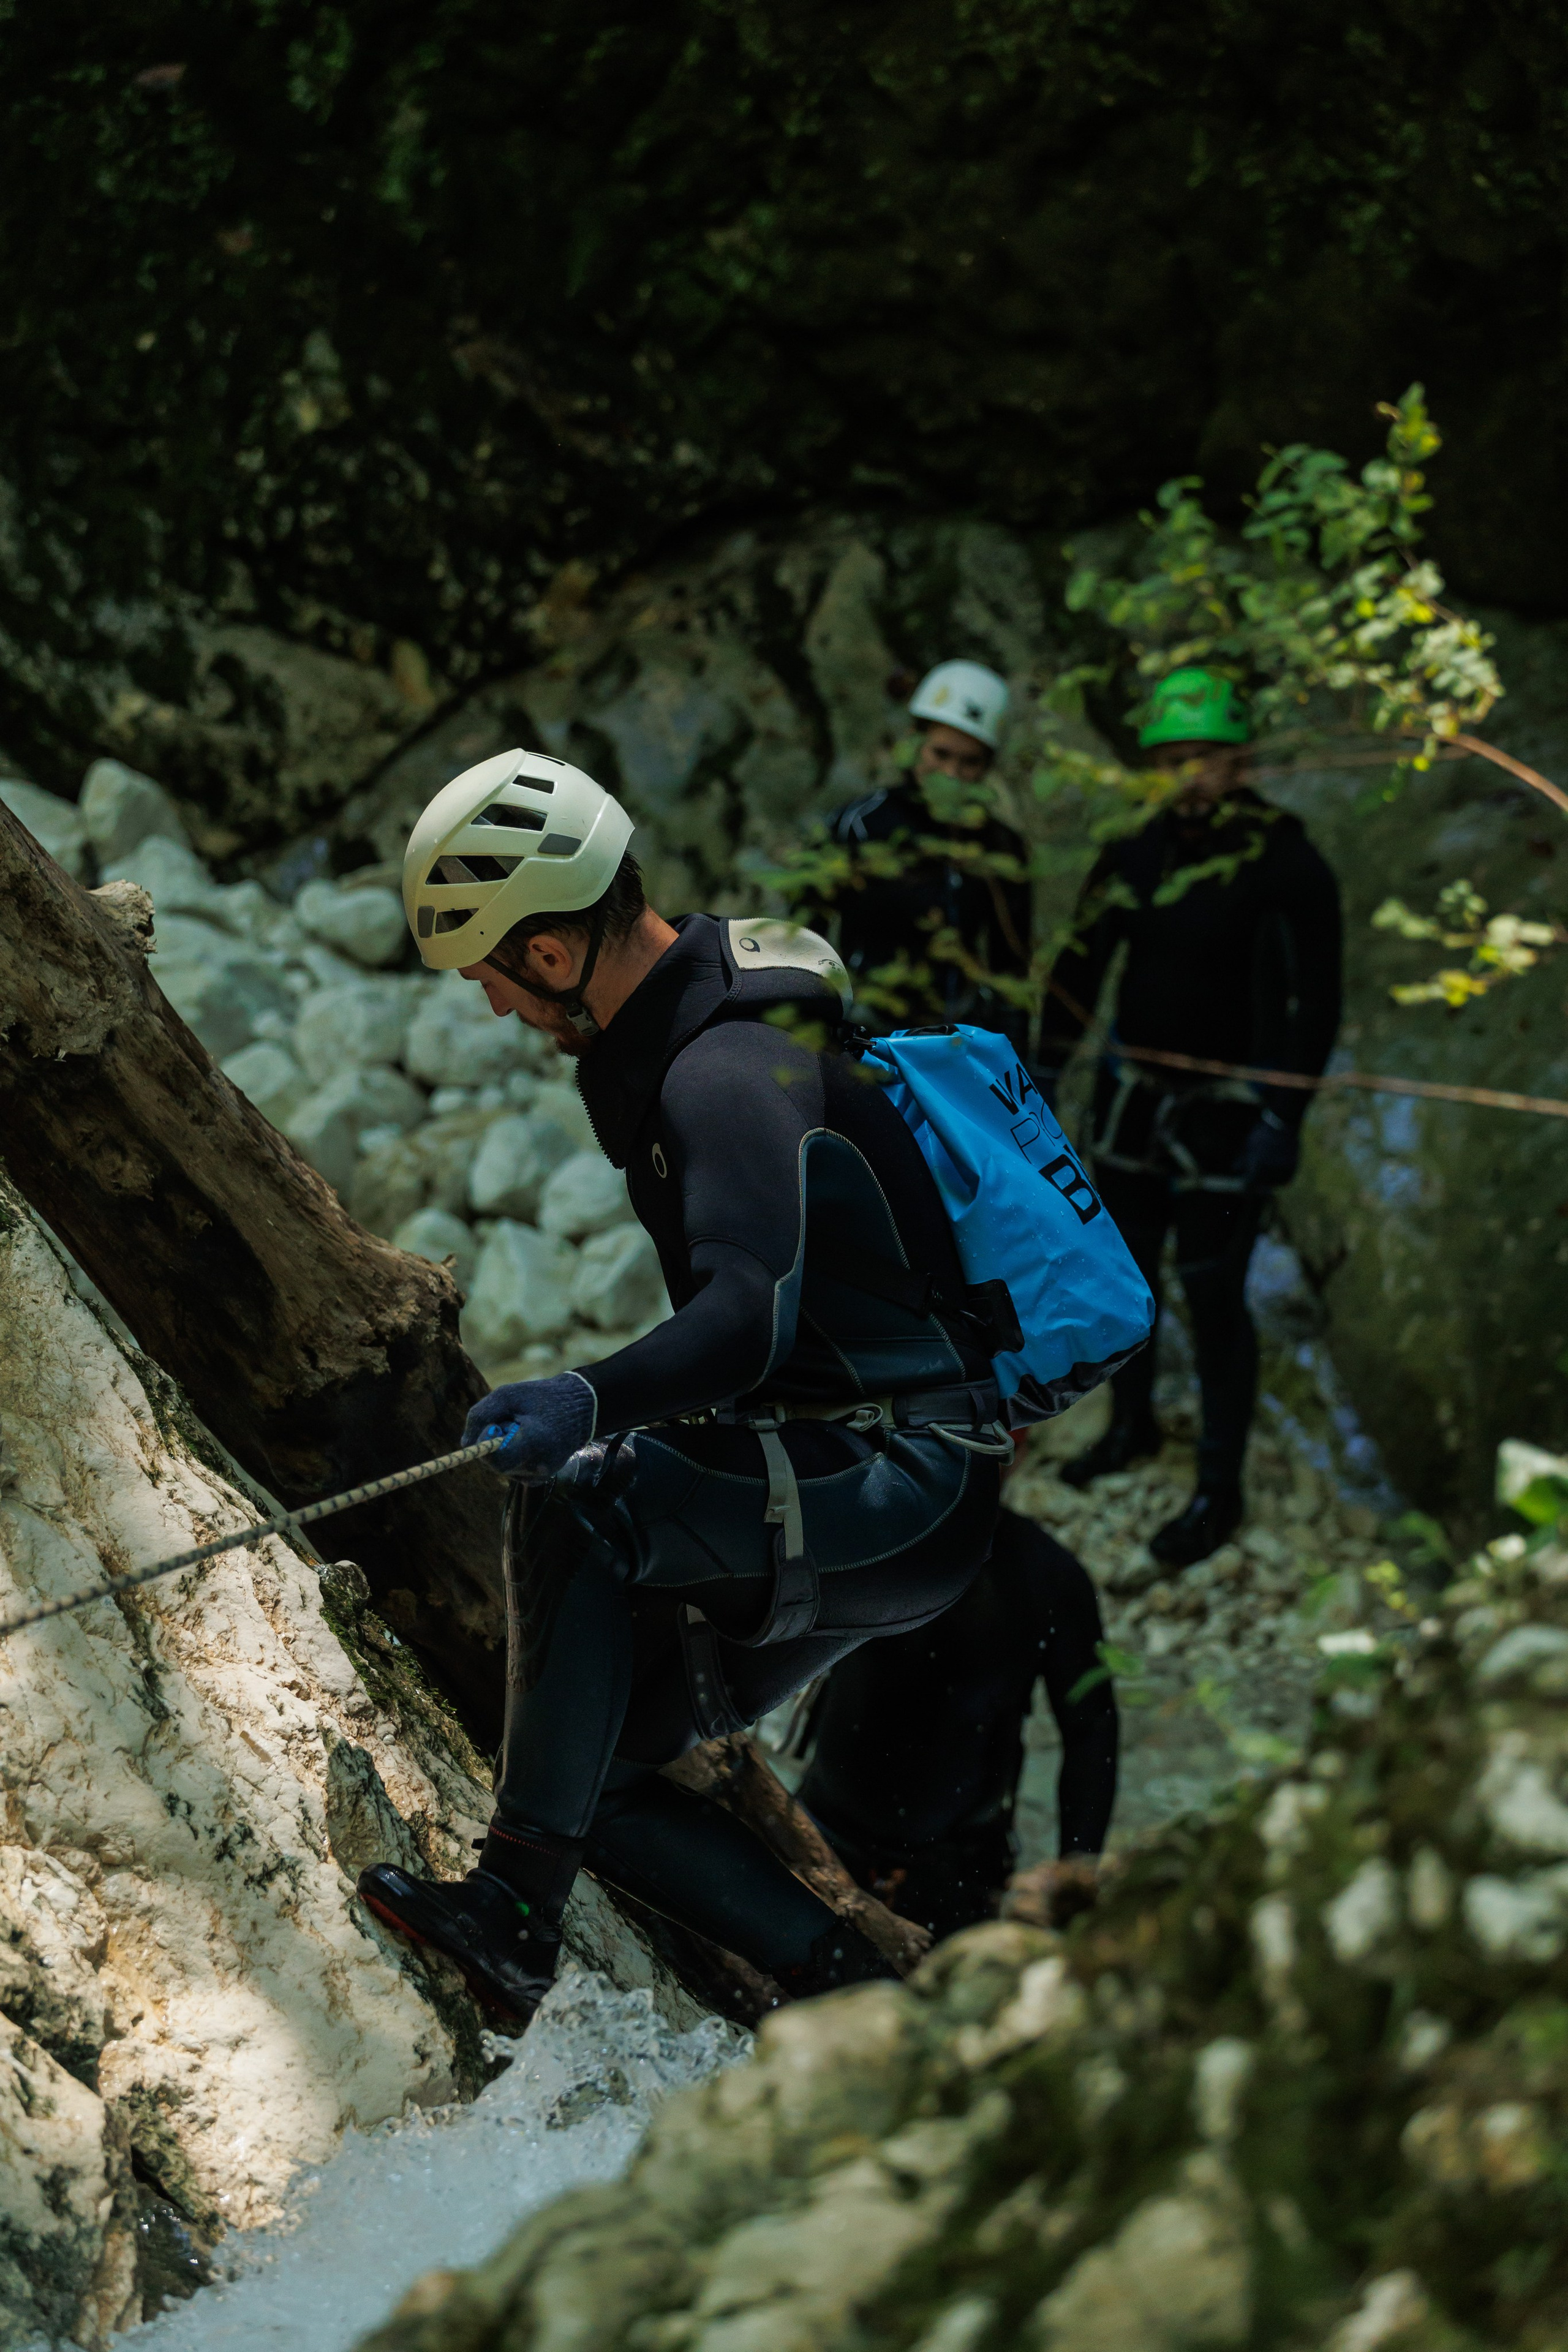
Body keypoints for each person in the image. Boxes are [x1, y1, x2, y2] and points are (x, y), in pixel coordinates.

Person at [358, 748, 1008, 2026]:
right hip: (891, 1479)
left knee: (583, 1499)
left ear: (549, 953)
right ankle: (857, 2003)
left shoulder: (722, 1069)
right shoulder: (716, 1017)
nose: (495, 1008)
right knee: (591, 1760)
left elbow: (743, 1322)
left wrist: (584, 1401)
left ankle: (512, 1913)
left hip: (901, 1477)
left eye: (491, 975)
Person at [1039, 668, 1343, 1568]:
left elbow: (1313, 1003)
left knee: (1214, 1296)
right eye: (1172, 759)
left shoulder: (1287, 862)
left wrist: (1283, 1116)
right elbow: (1083, 962)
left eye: (1206, 756)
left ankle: (1219, 1488)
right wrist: (1047, 1066)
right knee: (1127, 1282)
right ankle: (1130, 1426)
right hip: (1134, 1099)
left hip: (1225, 1115)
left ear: (1242, 759)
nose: (1190, 775)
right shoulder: (1134, 847)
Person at [796, 1509, 1118, 1939]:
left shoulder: (1047, 1575)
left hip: (957, 1866)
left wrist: (1074, 1879)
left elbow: (1092, 1732)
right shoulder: (862, 1524)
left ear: (1018, 1452)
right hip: (822, 1831)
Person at [822, 660, 1032, 1054]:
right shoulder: (861, 825)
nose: (951, 774)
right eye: (941, 754)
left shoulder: (1000, 848)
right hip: (863, 1034)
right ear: (914, 741)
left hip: (955, 1044)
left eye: (971, 762)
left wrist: (1017, 1060)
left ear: (989, 766)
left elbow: (1011, 966)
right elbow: (806, 935)